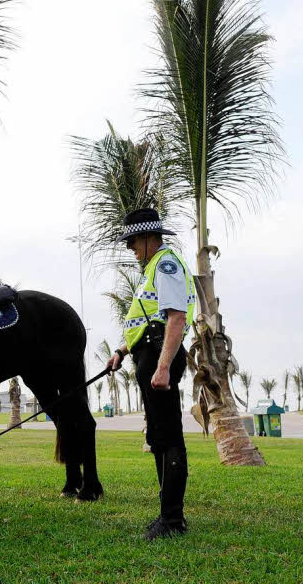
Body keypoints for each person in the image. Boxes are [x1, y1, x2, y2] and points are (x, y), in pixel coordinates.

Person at [106, 208, 195, 541]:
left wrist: (162, 366)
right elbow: (146, 322)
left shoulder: (166, 264)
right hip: (149, 352)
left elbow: (175, 318)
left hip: (160, 356)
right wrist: (121, 351)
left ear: (147, 238)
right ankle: (166, 514)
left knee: (169, 437)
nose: (131, 248)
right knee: (158, 438)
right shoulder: (152, 269)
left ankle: (172, 521)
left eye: (132, 241)